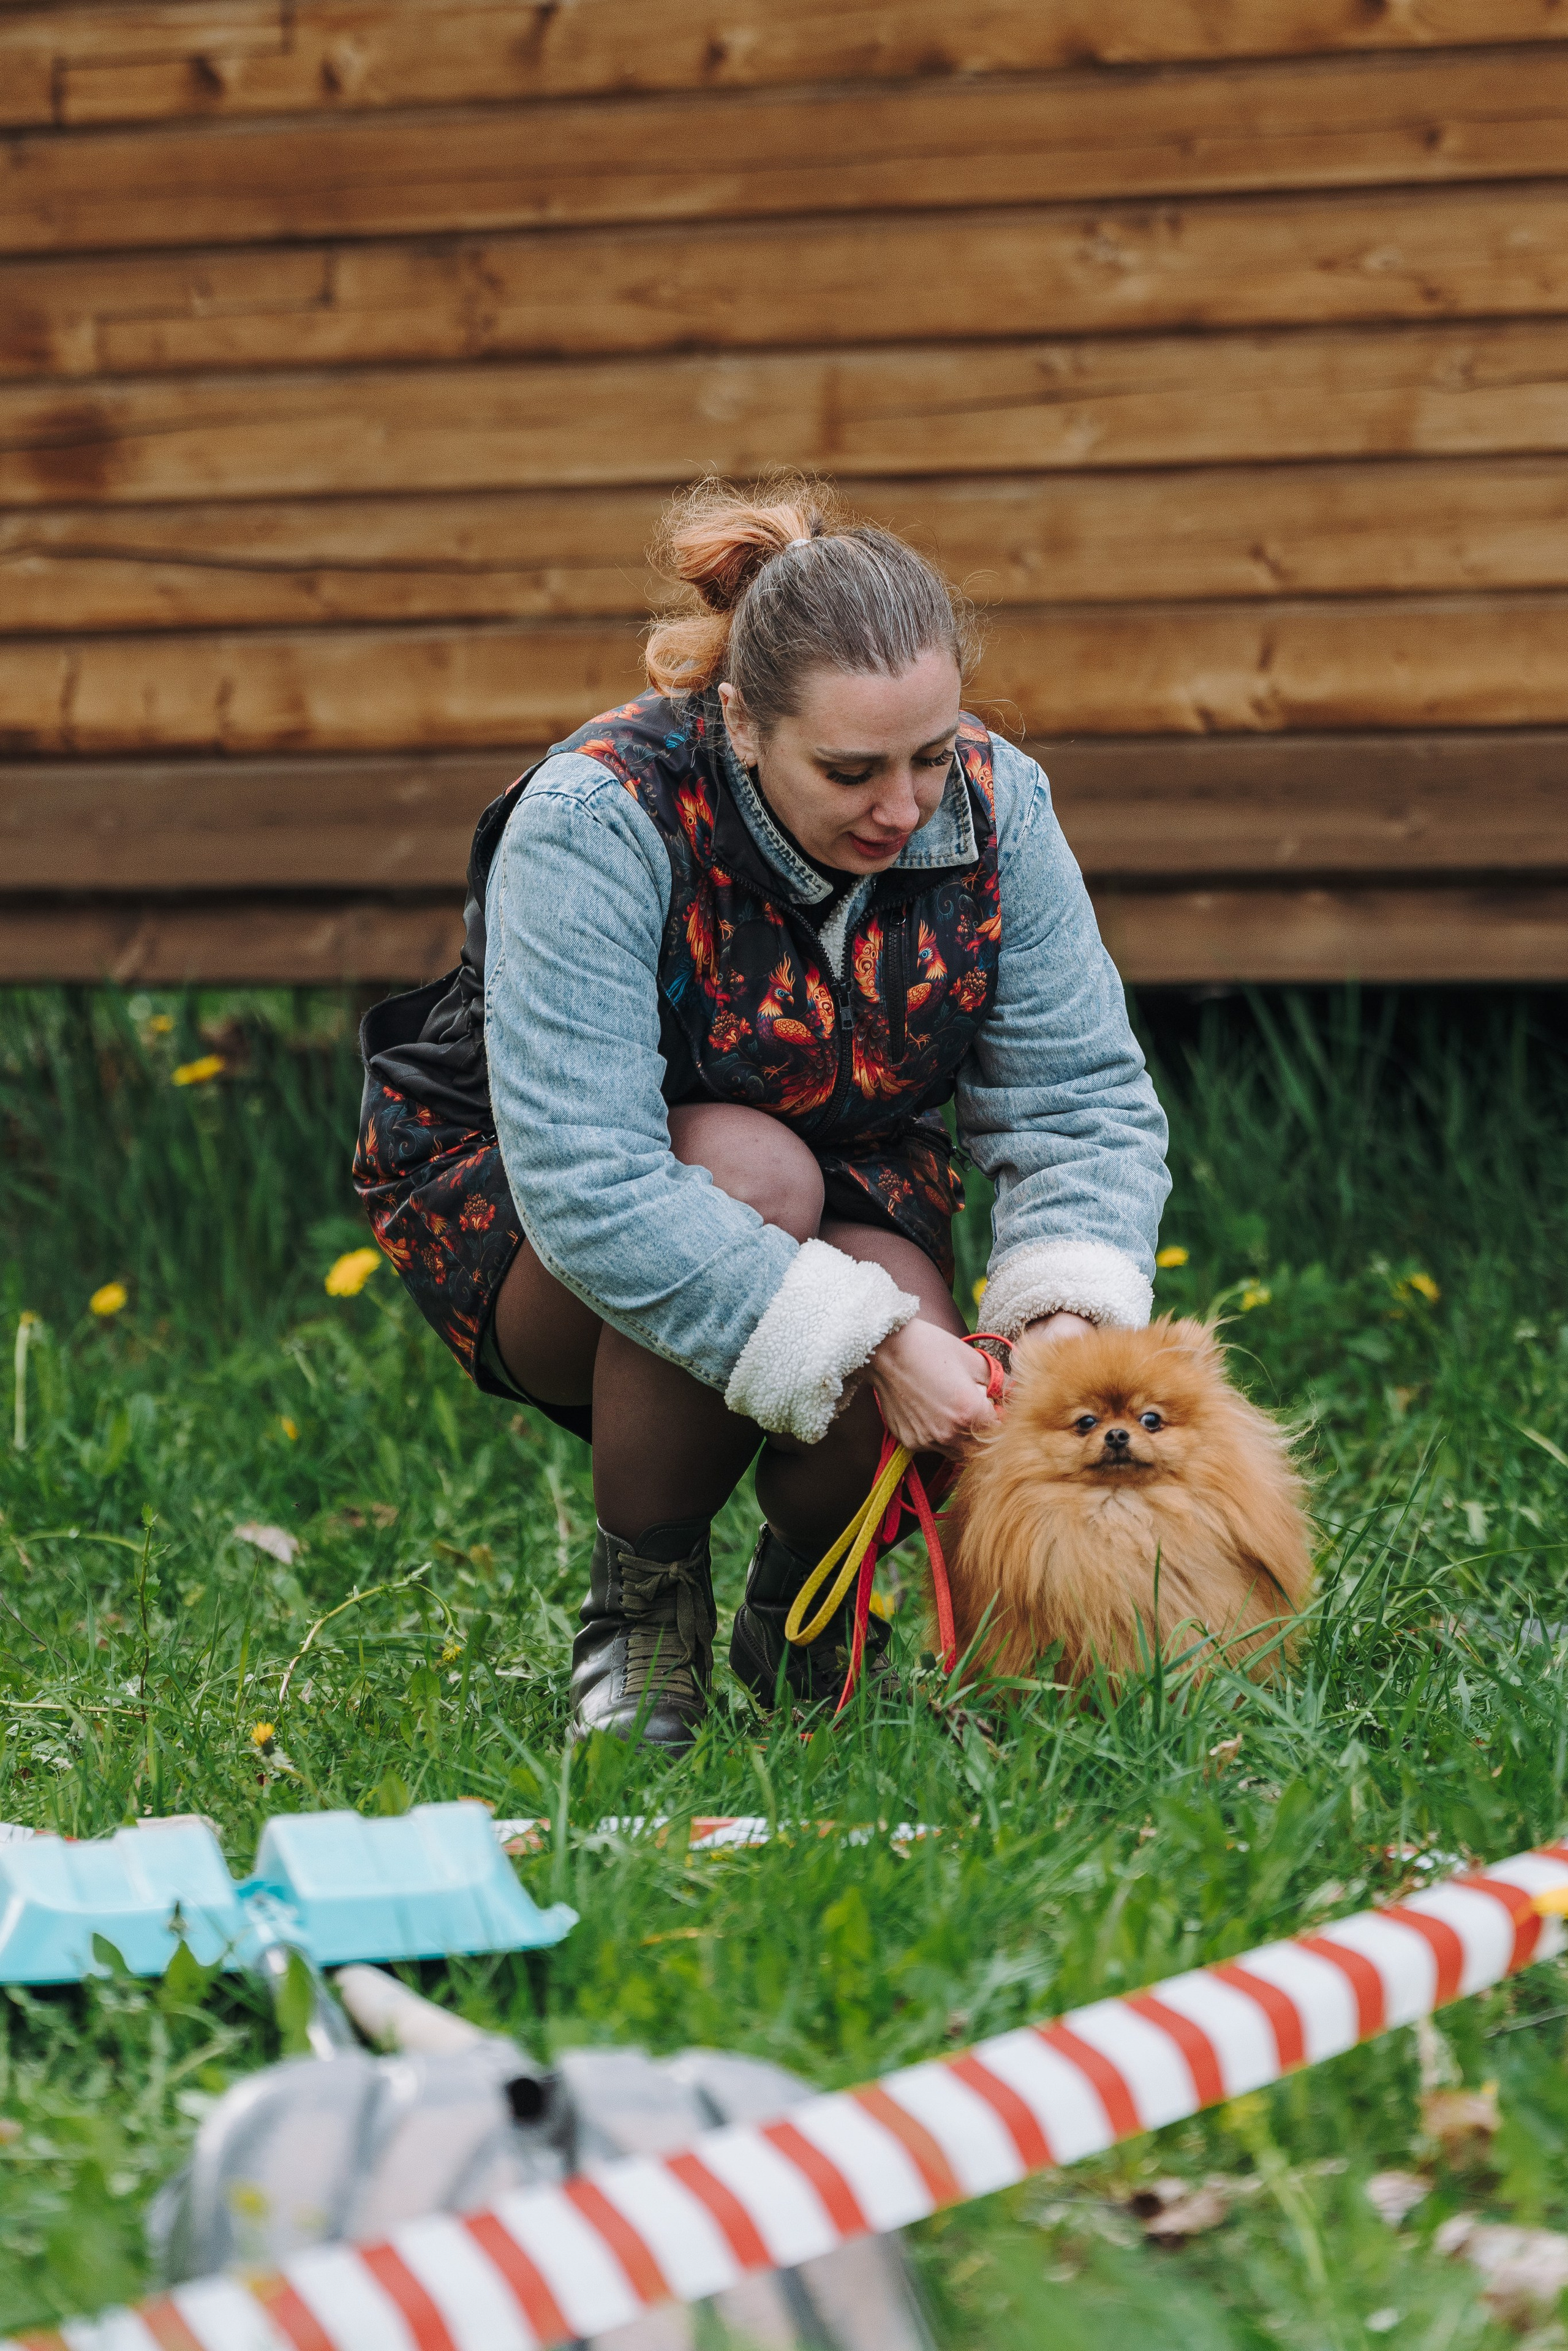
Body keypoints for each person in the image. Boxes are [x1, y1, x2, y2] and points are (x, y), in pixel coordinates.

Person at [354, 478, 1170, 1751]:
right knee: (760, 1191)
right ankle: (639, 1620)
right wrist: (870, 1336)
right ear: (740, 721)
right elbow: (589, 1181)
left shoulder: (1005, 807)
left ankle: (805, 1615)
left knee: (904, 1323)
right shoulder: (596, 816)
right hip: (537, 1221)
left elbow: (1079, 1101)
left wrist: (1058, 1324)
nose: (904, 808)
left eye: (931, 754)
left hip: (848, 1187)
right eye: (850, 770)